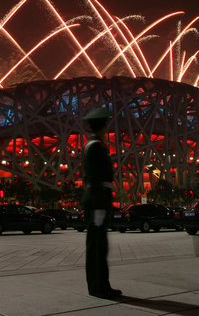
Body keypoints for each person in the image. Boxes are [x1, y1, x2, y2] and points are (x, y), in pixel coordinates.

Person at [81, 107, 122, 299]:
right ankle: (98, 287)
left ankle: (102, 285)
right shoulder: (95, 146)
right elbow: (95, 176)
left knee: (100, 245)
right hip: (97, 199)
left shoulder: (96, 144)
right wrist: (100, 204)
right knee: (97, 245)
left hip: (99, 198)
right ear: (102, 126)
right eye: (105, 124)